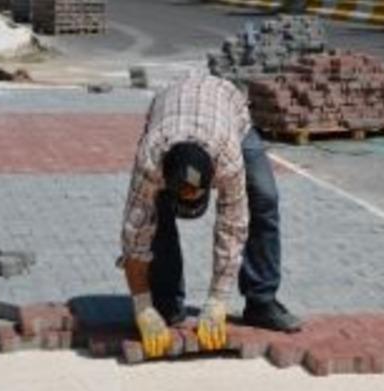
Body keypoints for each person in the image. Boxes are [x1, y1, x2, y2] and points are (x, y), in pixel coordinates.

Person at [120, 73, 301, 358]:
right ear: (165, 178)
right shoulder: (150, 162)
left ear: (212, 178)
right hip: (169, 107)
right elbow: (135, 235)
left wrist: (217, 300)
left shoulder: (227, 159)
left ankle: (261, 301)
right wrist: (142, 307)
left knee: (264, 197)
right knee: (154, 215)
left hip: (227, 111)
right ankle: (165, 304)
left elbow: (233, 226)